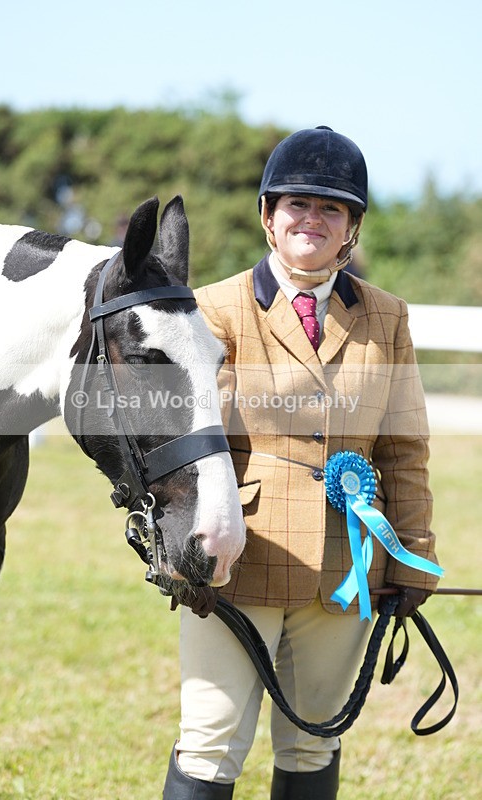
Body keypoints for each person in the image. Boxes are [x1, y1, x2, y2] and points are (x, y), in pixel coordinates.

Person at [162, 126, 440, 799]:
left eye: (331, 208)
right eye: (297, 204)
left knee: (315, 741)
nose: (312, 219)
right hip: (236, 558)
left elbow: (402, 447)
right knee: (210, 741)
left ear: (351, 227)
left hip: (345, 567)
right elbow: (184, 445)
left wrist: (410, 556)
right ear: (268, 215)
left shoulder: (386, 317)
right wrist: (180, 550)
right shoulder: (213, 309)